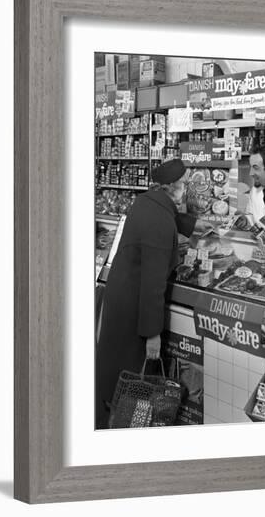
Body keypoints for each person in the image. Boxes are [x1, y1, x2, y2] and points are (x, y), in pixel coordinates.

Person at [96, 158, 208, 428]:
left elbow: (166, 214)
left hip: (120, 300)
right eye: (183, 185)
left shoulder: (145, 202)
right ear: (173, 187)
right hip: (135, 310)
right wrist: (152, 334)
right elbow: (152, 283)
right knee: (133, 379)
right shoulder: (159, 221)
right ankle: (123, 428)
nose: (186, 191)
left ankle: (107, 416)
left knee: (113, 372)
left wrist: (193, 226)